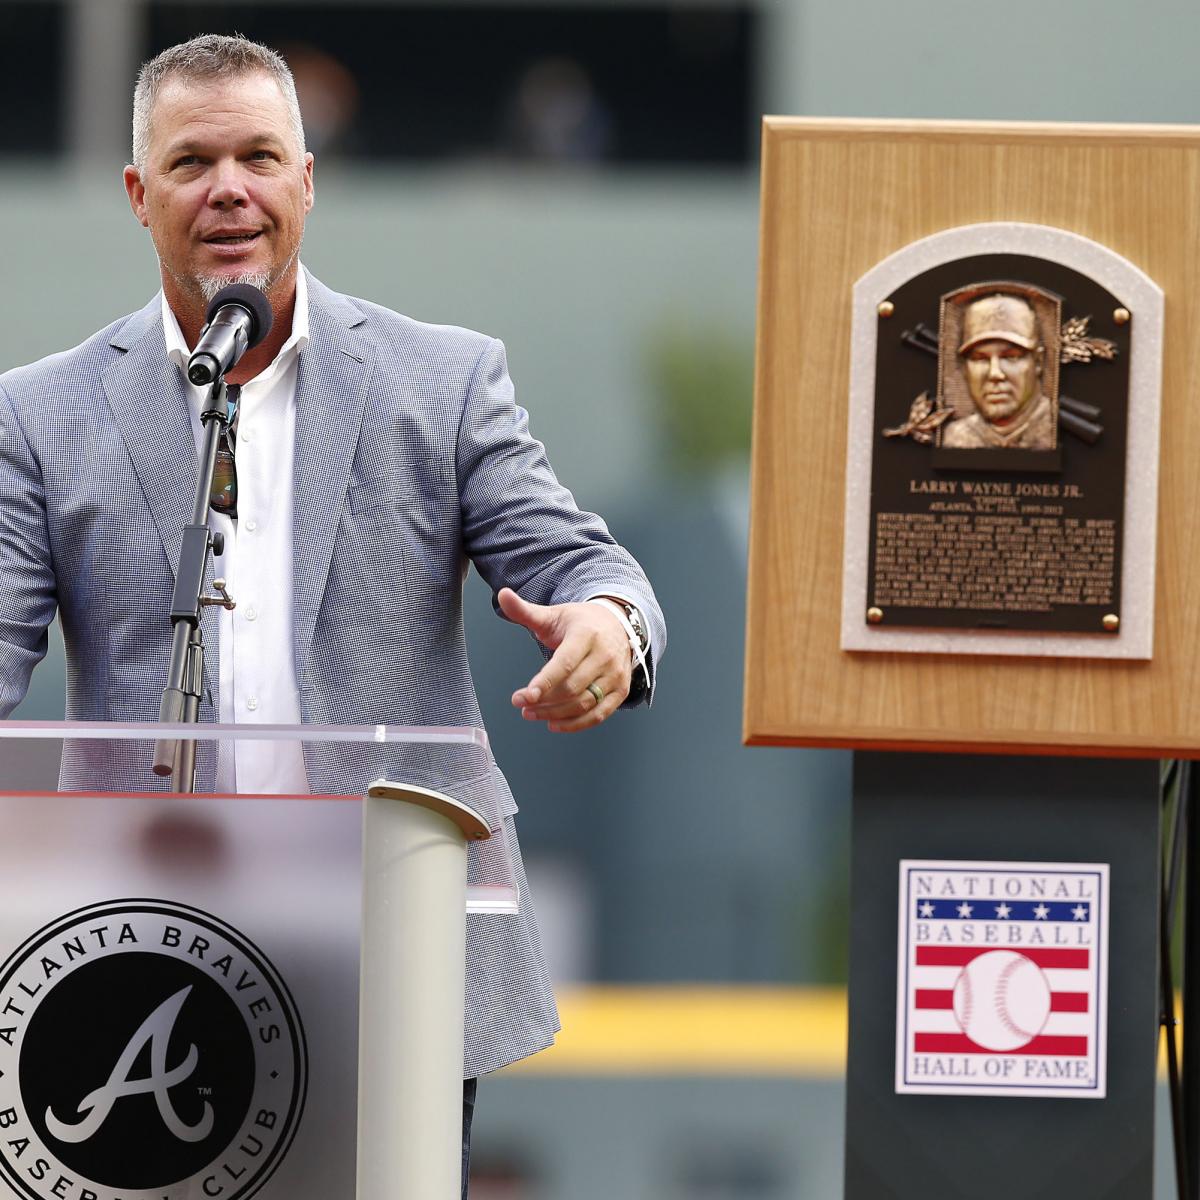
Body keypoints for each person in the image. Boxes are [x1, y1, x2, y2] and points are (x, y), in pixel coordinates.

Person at [0, 33, 664, 1197]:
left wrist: (609, 623)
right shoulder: (40, 414)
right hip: (143, 950)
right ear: (138, 193)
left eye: (260, 155)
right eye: (193, 161)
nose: (230, 190)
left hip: (391, 941)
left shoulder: (441, 380)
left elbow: (575, 561)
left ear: (308, 181)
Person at [941, 291, 1056, 450]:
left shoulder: (1057, 428)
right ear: (964, 368)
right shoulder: (953, 437)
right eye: (979, 358)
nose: (995, 373)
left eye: (1011, 357)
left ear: (1038, 362)